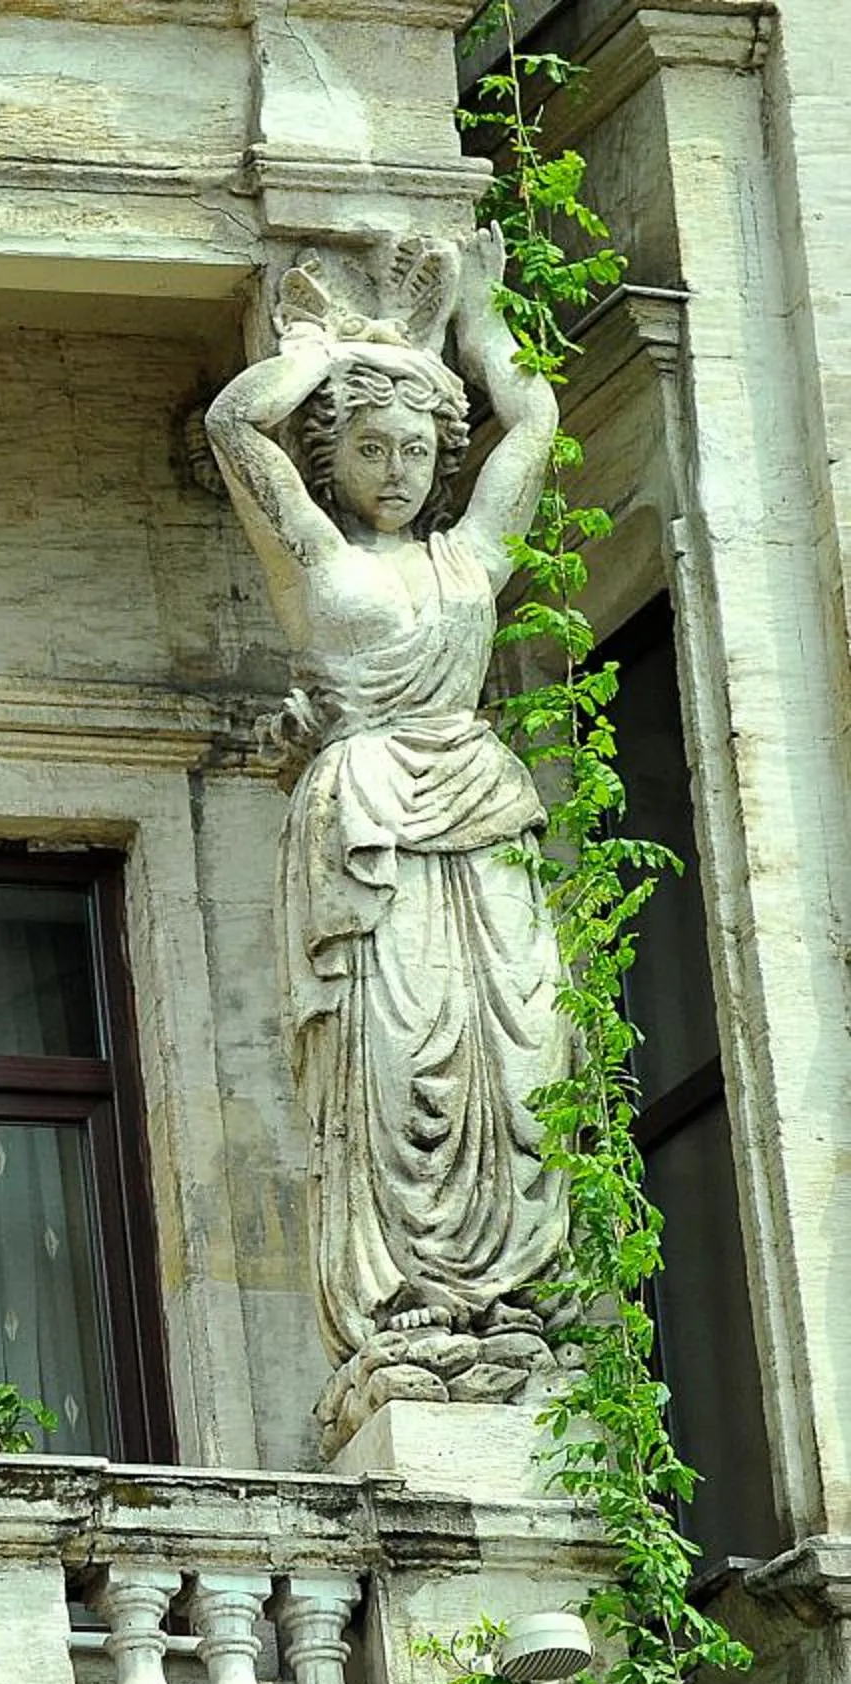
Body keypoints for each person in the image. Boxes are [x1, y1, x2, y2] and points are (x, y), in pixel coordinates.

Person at [205, 229, 570, 1373]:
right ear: (340, 457)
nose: (401, 469)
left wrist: (482, 326)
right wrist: (324, 345)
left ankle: (505, 1293)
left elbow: (538, 426)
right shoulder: (314, 556)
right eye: (375, 447)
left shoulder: (472, 558)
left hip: (477, 803)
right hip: (370, 808)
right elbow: (233, 427)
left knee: (517, 1053)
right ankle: (401, 1289)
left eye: (418, 448)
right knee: (394, 1056)